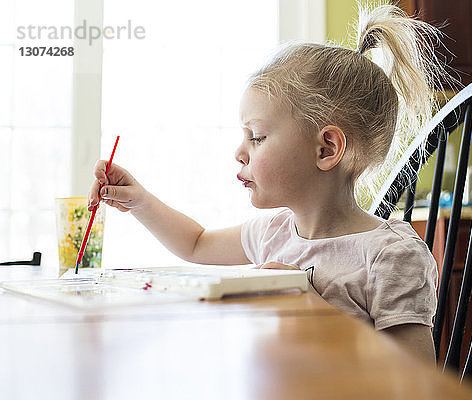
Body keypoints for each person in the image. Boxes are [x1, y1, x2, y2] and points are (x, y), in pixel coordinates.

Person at [88, 4, 450, 362]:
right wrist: (139, 201)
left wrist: (317, 310)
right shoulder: (274, 235)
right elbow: (196, 245)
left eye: (257, 137)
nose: (239, 152)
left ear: (327, 148)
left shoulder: (391, 257)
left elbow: (415, 379)